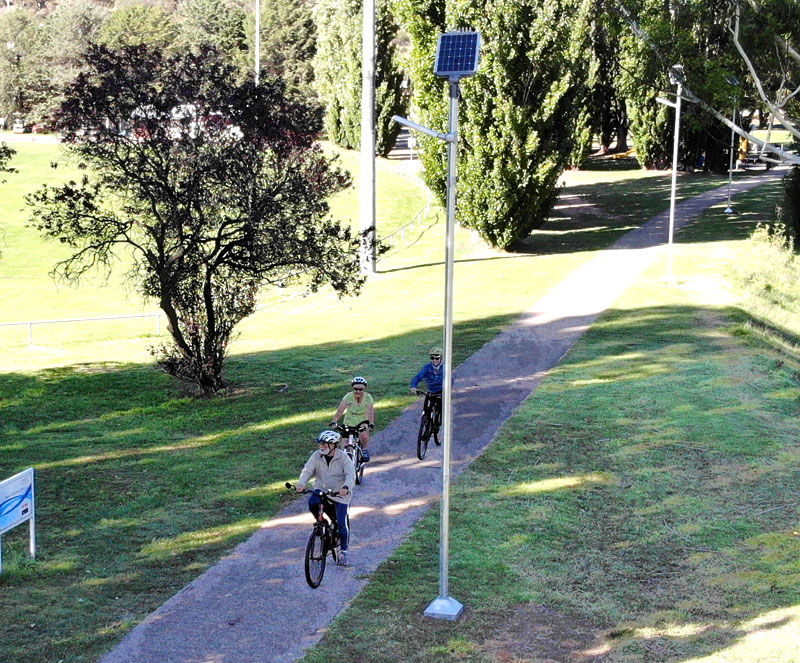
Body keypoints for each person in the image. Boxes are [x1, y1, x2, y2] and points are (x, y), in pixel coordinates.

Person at [296, 430, 356, 566]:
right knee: (312, 502)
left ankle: (343, 551)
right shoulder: (317, 456)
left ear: (334, 445)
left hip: (339, 494)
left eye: (325, 444)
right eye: (321, 444)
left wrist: (346, 488)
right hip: (321, 489)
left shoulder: (343, 458)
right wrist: (301, 483)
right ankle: (321, 524)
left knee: (341, 522)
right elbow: (307, 470)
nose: (322, 447)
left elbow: (350, 475)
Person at [330, 377, 375, 462]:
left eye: (361, 389)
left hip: (362, 420)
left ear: (364, 389)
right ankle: (343, 461)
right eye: (356, 389)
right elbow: (340, 411)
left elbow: (370, 412)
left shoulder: (368, 397)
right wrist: (334, 421)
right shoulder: (348, 396)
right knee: (344, 443)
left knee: (364, 435)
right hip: (349, 421)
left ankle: (364, 450)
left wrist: (371, 424)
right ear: (353, 388)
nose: (358, 391)